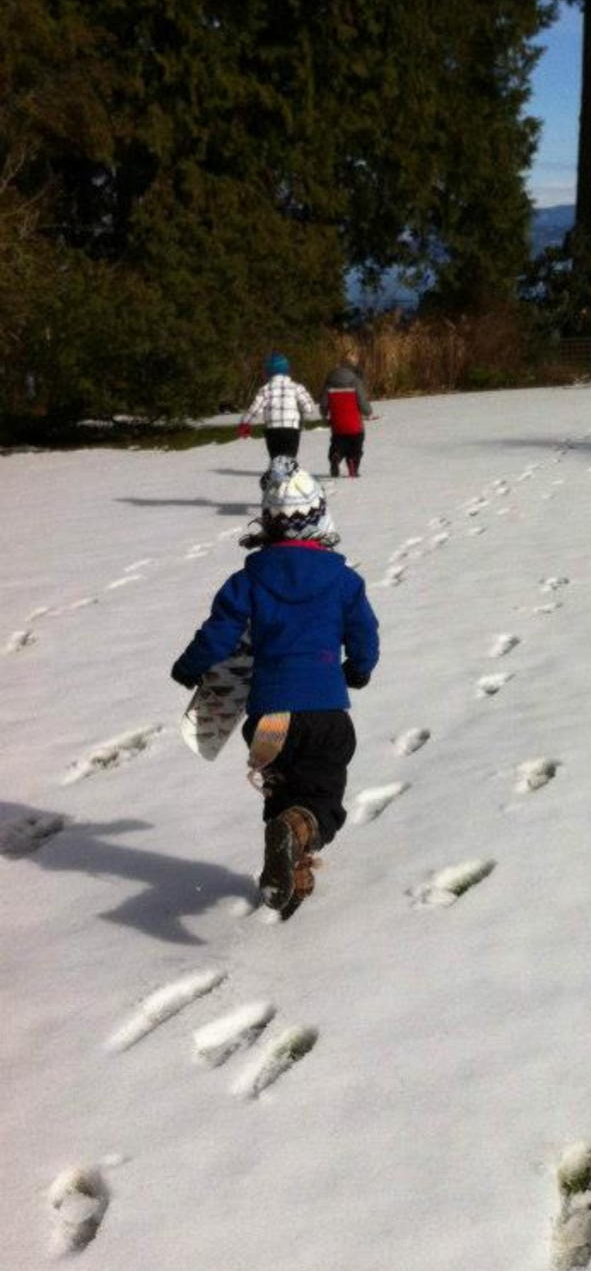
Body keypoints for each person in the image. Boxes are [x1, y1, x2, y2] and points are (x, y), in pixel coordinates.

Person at [170, 458, 380, 912]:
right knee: (321, 799)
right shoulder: (344, 581)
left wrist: (191, 666)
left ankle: (291, 881)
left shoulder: (246, 581)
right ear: (321, 520)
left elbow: (219, 634)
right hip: (325, 715)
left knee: (283, 794)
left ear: (267, 525)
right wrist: (358, 669)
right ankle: (297, 836)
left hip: (268, 721)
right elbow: (364, 633)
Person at [238, 354, 319, 461]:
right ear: (287, 370)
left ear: (268, 372)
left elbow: (255, 409)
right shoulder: (296, 387)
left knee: (276, 459)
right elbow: (309, 408)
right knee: (289, 458)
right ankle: (287, 473)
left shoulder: (265, 389)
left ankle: (277, 473)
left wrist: (245, 423)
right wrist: (299, 409)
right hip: (291, 430)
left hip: (272, 430)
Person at [320, 349, 373, 477]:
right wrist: (368, 412)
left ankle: (336, 456)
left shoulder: (330, 380)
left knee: (338, 443)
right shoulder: (355, 381)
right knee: (356, 446)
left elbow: (324, 402)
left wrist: (324, 414)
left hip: (337, 423)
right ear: (353, 364)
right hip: (355, 424)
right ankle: (353, 465)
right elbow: (362, 401)